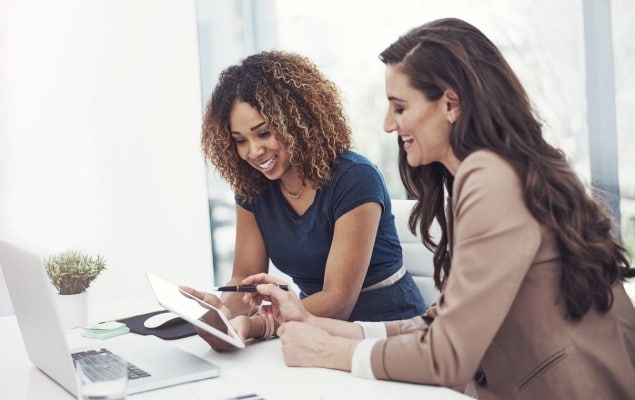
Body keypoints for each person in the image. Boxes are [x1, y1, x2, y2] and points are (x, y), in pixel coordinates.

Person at [239, 18, 635, 399]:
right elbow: (437, 324)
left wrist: (329, 352)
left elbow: (448, 357)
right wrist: (315, 325)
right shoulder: (496, 170)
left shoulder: (490, 180)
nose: (388, 125)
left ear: (450, 104)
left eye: (399, 107)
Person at [182, 50, 426, 351]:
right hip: (309, 330)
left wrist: (258, 325)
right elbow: (243, 277)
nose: (254, 151)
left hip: (386, 332)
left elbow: (338, 302)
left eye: (264, 133)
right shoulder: (252, 186)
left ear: (297, 123)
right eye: (241, 140)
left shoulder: (355, 178)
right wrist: (221, 313)